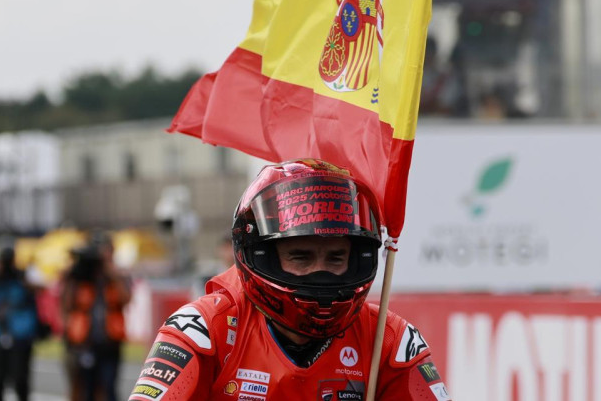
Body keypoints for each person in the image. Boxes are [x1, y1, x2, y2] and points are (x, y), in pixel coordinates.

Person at [129, 159, 452, 400]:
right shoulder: (202, 330)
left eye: (335, 258)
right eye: (301, 256)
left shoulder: (389, 339)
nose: (320, 271)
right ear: (263, 256)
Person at [59, 233, 132, 401]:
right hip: (83, 342)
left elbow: (126, 298)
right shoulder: (80, 275)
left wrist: (109, 269)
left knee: (108, 389)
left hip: (109, 342)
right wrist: (77, 269)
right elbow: (66, 302)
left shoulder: (115, 275)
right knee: (83, 390)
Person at [0, 245, 42, 401]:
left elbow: (41, 289)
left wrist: (21, 277)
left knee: (20, 381)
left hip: (21, 336)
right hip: (0, 334)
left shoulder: (22, 278)